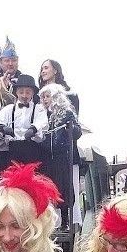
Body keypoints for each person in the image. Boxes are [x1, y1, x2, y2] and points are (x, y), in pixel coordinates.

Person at [37, 83, 82, 229]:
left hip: (61, 155)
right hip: (46, 155)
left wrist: (71, 128)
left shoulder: (66, 112)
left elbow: (77, 132)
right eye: (42, 96)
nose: (44, 99)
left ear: (55, 96)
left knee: (63, 188)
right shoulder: (42, 114)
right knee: (48, 188)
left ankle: (65, 221)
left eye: (47, 96)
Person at [0, 75, 49, 169]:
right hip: (13, 151)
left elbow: (43, 123)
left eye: (28, 92)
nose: (24, 95)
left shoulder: (39, 109)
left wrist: (34, 129)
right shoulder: (9, 109)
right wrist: (2, 127)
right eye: (21, 92)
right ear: (16, 92)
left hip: (33, 151)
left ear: (33, 93)